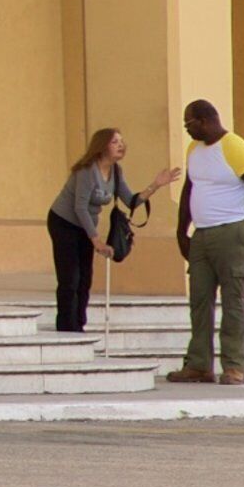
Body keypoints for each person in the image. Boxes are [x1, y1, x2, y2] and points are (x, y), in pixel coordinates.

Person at [170, 97, 244, 384]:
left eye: (189, 124)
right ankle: (199, 364)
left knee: (232, 300)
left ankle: (234, 365)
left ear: (204, 121)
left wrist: (240, 211)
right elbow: (189, 190)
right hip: (202, 234)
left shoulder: (234, 147)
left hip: (232, 231)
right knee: (200, 300)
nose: (187, 130)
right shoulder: (194, 149)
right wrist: (182, 230)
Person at [45, 127, 167, 334]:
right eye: (114, 142)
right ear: (101, 147)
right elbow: (80, 207)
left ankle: (79, 324)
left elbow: (130, 200)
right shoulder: (87, 171)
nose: (121, 145)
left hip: (85, 225)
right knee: (70, 277)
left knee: (86, 277)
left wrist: (155, 186)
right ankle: (66, 326)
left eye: (121, 141)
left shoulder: (116, 172)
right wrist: (97, 242)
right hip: (64, 222)